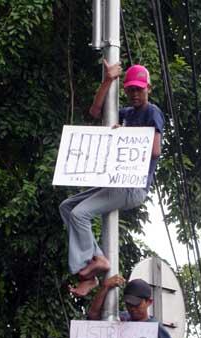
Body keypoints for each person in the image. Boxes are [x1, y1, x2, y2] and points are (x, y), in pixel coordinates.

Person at [59, 61, 165, 296]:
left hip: (132, 187)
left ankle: (92, 265)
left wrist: (124, 136)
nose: (135, 94)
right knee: (67, 207)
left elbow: (155, 150)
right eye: (131, 90)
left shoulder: (152, 112)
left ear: (149, 88)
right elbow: (96, 111)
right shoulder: (128, 113)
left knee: (80, 214)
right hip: (115, 182)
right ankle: (93, 265)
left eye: (139, 89)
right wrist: (108, 80)